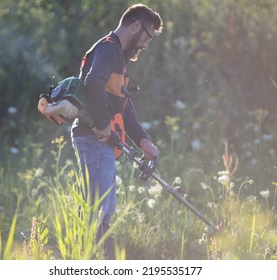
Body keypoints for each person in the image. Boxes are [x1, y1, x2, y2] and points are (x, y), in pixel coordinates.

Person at [71, 3, 163, 258]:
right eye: (147, 36)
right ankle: (100, 261)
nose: (145, 44)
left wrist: (143, 140)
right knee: (100, 207)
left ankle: (92, 258)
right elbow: (92, 83)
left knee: (102, 204)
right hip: (93, 136)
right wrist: (102, 125)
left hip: (100, 138)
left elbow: (123, 105)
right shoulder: (109, 49)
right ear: (136, 26)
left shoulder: (117, 56)